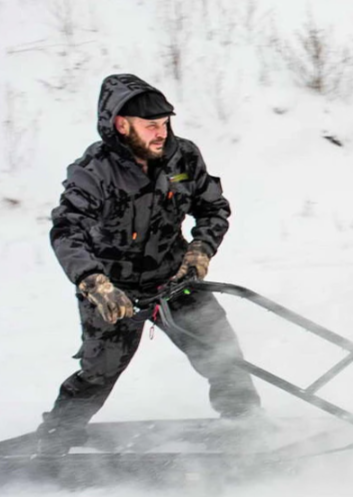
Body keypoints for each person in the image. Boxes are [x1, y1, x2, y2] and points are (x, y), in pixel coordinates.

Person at [37, 74, 261, 454]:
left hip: (176, 278)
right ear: (121, 125)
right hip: (113, 291)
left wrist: (200, 250)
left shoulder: (182, 157)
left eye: (165, 123)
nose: (161, 133)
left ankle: (249, 430)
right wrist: (93, 282)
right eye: (150, 126)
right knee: (99, 372)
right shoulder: (93, 172)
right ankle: (55, 443)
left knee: (223, 355)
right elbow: (66, 231)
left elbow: (212, 208)